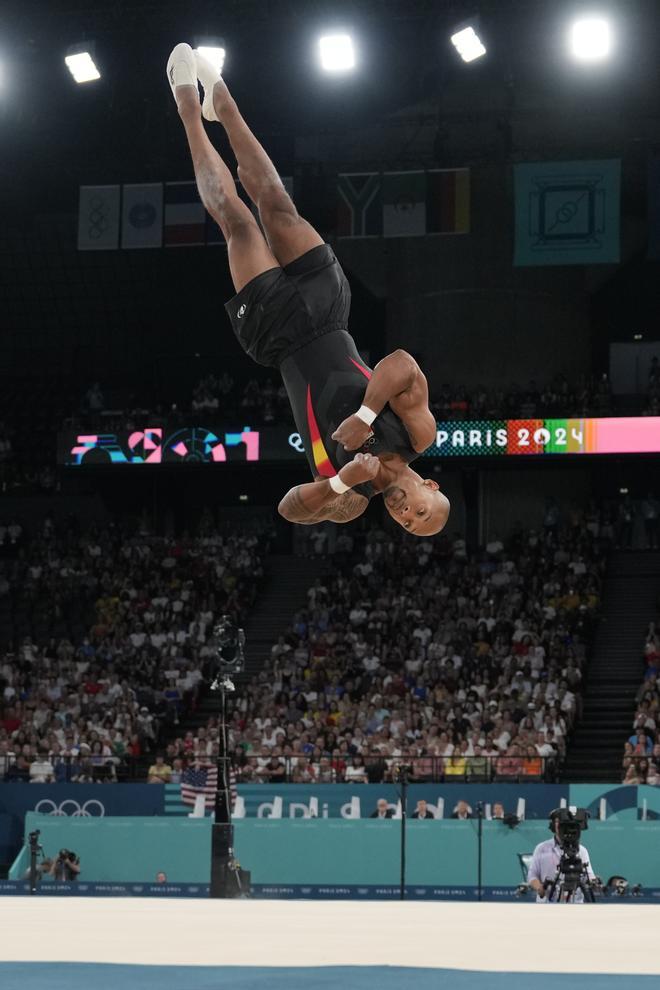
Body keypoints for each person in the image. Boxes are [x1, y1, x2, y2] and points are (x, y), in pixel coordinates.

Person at [167, 44, 450, 537]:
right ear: (430, 485)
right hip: (329, 310)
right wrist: (365, 416)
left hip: (277, 333)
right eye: (422, 511)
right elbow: (402, 363)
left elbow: (291, 509)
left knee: (237, 222)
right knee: (276, 202)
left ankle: (188, 105)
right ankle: (222, 100)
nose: (408, 513)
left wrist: (341, 482)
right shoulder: (418, 436)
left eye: (408, 523)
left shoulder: (355, 499)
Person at [527, 810, 595, 903]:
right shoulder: (541, 848)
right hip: (547, 904)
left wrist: (593, 882)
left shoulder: (581, 850)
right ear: (553, 825)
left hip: (575, 905)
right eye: (559, 822)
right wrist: (540, 888)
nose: (563, 826)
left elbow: (589, 876)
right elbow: (532, 876)